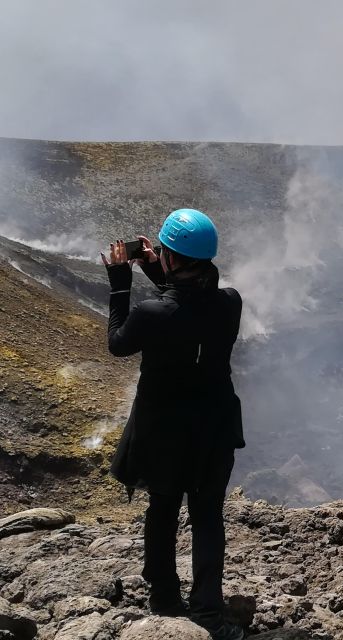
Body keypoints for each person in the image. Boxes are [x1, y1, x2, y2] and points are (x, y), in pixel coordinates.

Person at [101, 209, 245, 640]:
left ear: (171, 257)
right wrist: (158, 267)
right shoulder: (231, 302)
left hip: (164, 431)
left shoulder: (151, 312)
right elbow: (189, 306)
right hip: (214, 427)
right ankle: (207, 614)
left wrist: (122, 283)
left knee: (162, 510)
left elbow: (118, 344)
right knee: (207, 517)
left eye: (164, 252)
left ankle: (164, 598)